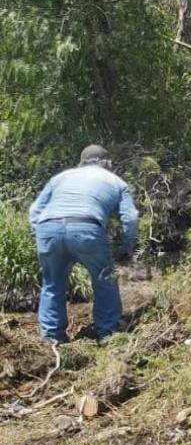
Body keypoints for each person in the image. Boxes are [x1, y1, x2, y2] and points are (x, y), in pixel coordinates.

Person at [28, 145, 139, 344]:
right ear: (107, 162)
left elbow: (35, 211)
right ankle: (107, 332)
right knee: (105, 279)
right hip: (86, 228)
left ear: (82, 162)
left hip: (48, 228)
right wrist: (127, 247)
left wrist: (42, 235)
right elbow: (130, 219)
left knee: (53, 283)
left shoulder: (60, 178)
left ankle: (52, 338)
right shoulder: (116, 182)